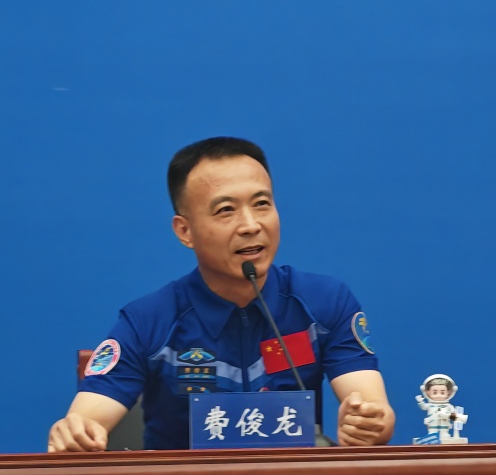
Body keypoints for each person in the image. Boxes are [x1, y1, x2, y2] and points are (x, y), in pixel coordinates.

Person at [48, 137, 395, 452]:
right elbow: (87, 419)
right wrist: (75, 431)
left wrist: (368, 423)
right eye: (226, 210)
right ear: (185, 231)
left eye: (262, 204)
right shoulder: (148, 322)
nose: (251, 225)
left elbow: (371, 407)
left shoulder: (323, 302)